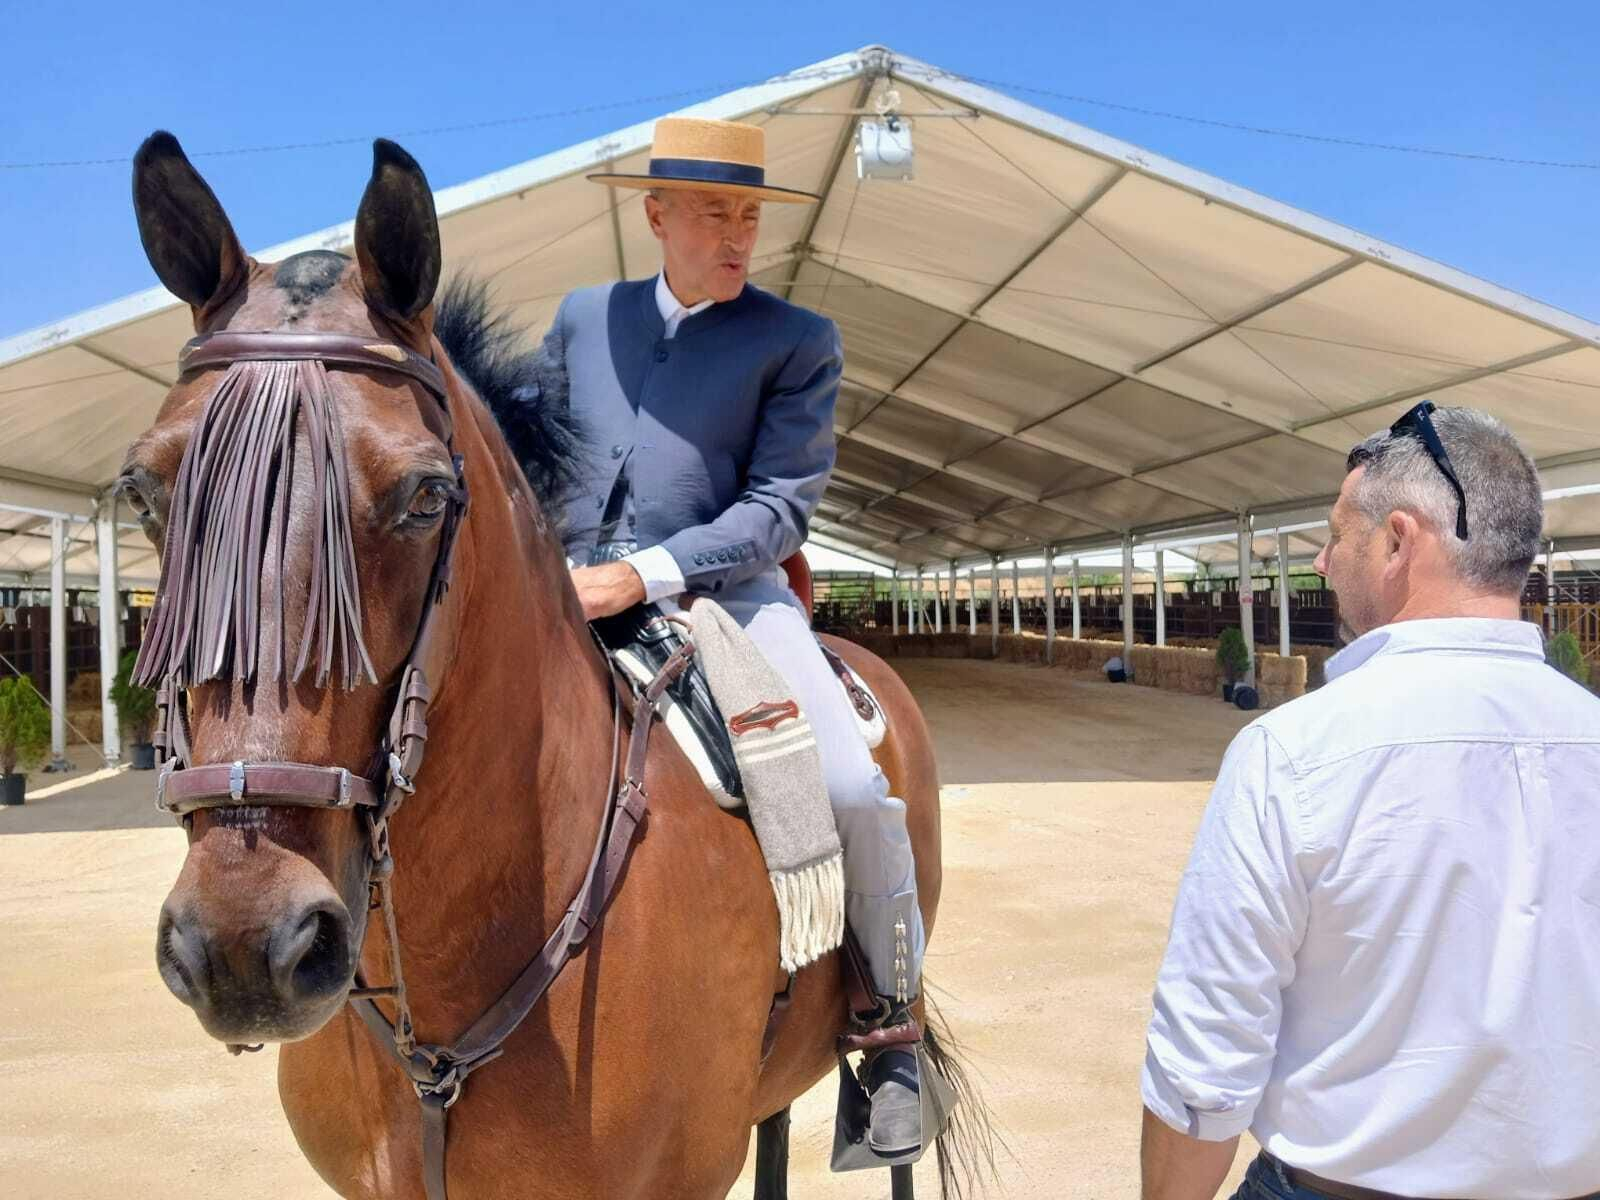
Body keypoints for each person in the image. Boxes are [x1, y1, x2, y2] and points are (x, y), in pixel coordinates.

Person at [532, 116, 925, 1157]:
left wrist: (643, 573)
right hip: (560, 587)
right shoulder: (581, 318)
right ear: (656, 215)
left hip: (729, 599)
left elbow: (777, 506)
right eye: (715, 211)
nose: (738, 234)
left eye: (749, 214)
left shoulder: (795, 339)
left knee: (848, 784)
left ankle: (890, 1025)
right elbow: (531, 457)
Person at [1139, 403, 1600, 1200]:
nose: (1323, 561)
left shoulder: (1292, 752)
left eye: (1337, 535)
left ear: (1396, 542)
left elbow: (1207, 1060)